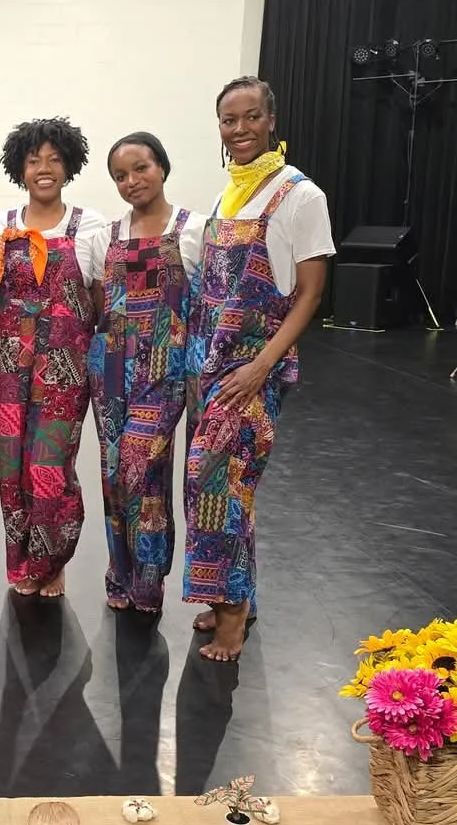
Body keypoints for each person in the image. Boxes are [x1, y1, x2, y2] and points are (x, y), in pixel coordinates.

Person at [185, 76, 334, 661]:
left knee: (215, 484)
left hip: (254, 369)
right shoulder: (229, 195)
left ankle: (233, 619)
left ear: (271, 120)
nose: (239, 129)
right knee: (229, 489)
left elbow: (311, 294)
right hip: (213, 366)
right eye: (229, 119)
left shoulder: (301, 195)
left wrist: (261, 366)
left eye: (250, 117)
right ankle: (233, 595)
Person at [0, 117, 106, 598]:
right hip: (10, 366)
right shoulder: (1, 226)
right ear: (19, 167)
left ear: (69, 165)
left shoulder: (90, 226)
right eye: (34, 159)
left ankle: (52, 558)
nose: (44, 168)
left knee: (51, 463)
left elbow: (99, 297)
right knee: (12, 462)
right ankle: (21, 561)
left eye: (54, 159)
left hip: (64, 368)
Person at [89, 133, 206, 614]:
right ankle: (121, 572)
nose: (131, 181)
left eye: (140, 168)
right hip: (111, 367)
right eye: (120, 175)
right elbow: (100, 305)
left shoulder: (194, 229)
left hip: (165, 367)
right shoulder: (107, 236)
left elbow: (203, 307)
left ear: (162, 166)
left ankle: (149, 579)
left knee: (142, 468)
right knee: (114, 475)